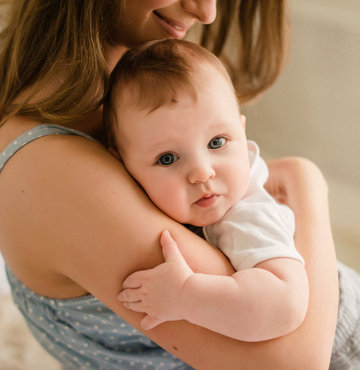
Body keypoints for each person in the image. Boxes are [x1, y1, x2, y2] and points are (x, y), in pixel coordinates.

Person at [0, 0, 347, 369]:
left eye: (217, 142)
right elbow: (298, 364)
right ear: (120, 157)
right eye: (167, 159)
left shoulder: (115, 103)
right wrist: (306, 186)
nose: (207, 12)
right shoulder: (56, 170)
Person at [103, 39, 309, 341]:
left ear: (242, 131)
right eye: (168, 158)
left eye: (217, 142)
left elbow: (285, 305)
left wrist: (185, 295)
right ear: (123, 166)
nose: (202, 172)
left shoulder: (247, 217)